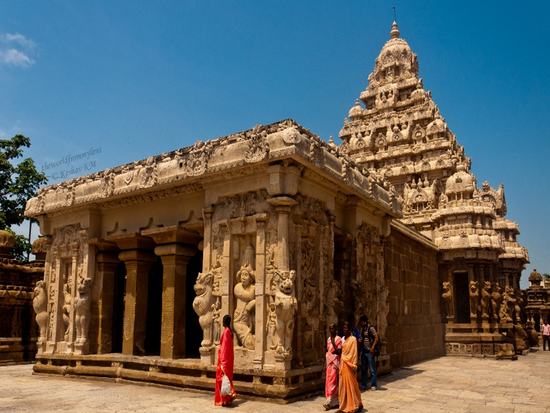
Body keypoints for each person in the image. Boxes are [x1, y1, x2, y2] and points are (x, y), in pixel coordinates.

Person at [338, 322, 363, 413]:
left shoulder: (353, 339)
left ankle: (359, 404)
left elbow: (354, 353)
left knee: (352, 386)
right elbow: (342, 352)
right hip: (343, 364)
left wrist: (354, 365)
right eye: (343, 328)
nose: (344, 330)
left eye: (346, 328)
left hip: (350, 365)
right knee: (343, 386)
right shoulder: (343, 339)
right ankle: (343, 406)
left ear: (349, 329)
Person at [215, 315, 237, 406]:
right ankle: (225, 399)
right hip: (226, 358)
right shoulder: (228, 331)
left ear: (225, 322)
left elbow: (224, 348)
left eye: (223, 321)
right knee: (224, 379)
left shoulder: (227, 332)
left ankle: (228, 395)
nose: (222, 323)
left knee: (221, 378)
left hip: (224, 359)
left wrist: (222, 361)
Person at [324, 323, 342, 410]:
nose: (331, 330)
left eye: (333, 329)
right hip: (328, 362)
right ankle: (331, 400)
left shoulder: (338, 339)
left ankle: (330, 400)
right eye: (330, 329)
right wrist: (325, 364)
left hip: (335, 362)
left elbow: (338, 351)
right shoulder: (328, 339)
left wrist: (333, 342)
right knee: (328, 381)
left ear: (336, 329)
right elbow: (328, 351)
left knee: (333, 381)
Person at [359, 315, 379, 391]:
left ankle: (374, 385)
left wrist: (372, 348)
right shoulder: (363, 330)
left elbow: (376, 337)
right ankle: (364, 384)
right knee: (364, 369)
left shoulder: (371, 328)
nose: (361, 324)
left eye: (361, 322)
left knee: (372, 369)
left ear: (365, 322)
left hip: (370, 352)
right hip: (364, 351)